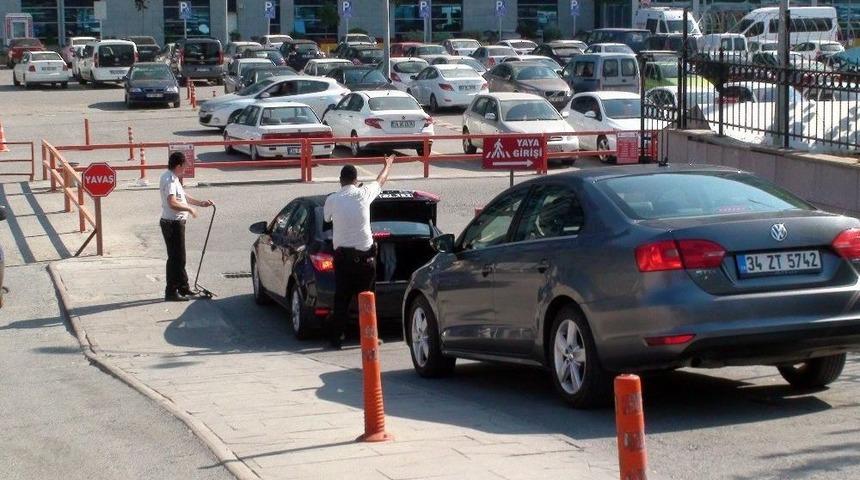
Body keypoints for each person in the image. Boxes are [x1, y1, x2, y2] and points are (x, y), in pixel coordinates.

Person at [323, 155, 394, 349]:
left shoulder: (333, 199)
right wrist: (388, 165)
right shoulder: (364, 194)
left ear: (340, 181)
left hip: (343, 261)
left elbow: (327, 219)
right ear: (356, 180)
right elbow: (381, 180)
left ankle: (336, 339)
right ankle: (369, 339)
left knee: (341, 301)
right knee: (367, 300)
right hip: (366, 261)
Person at [160, 151, 213, 302]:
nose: (185, 168)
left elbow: (182, 196)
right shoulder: (169, 180)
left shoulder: (173, 178)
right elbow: (172, 202)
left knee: (178, 258)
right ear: (178, 166)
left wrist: (200, 203)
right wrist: (189, 209)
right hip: (172, 223)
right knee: (176, 259)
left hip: (175, 223)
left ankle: (183, 287)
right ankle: (171, 291)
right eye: (184, 166)